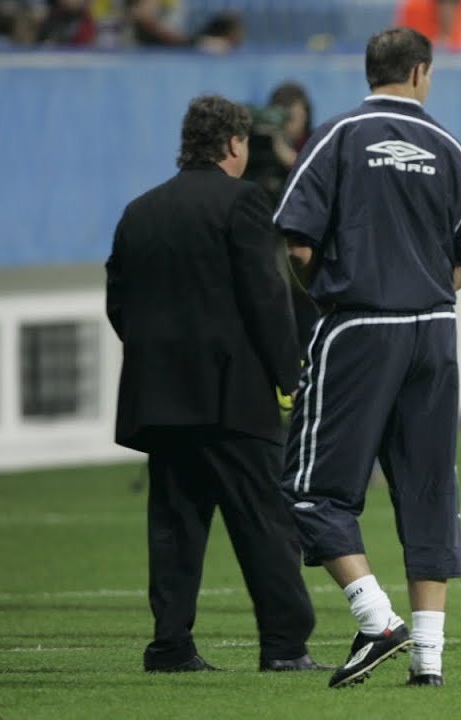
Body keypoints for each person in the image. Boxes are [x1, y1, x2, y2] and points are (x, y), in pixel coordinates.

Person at [272, 27, 461, 689]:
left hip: (361, 326)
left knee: (312, 491)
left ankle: (377, 620)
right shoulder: (448, 146)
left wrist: (343, 296)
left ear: (369, 70)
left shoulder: (339, 136)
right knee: (429, 489)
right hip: (434, 329)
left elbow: (296, 242)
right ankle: (428, 658)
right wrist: (421, 290)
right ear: (423, 73)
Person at [105, 94, 322, 674]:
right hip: (234, 396)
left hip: (161, 397)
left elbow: (118, 303)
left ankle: (170, 647)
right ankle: (283, 646)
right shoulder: (244, 202)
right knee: (264, 522)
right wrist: (288, 373)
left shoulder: (139, 210)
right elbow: (266, 297)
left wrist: (157, 360)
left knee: (174, 527)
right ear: (233, 144)